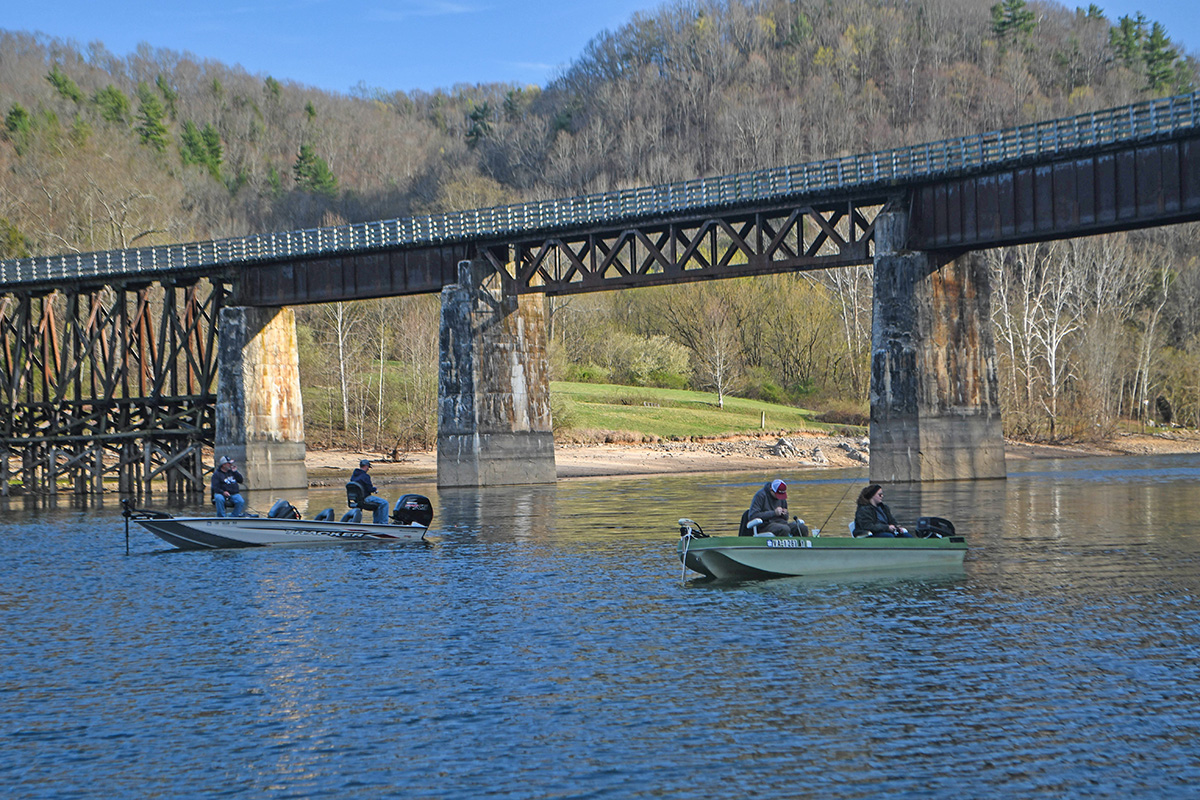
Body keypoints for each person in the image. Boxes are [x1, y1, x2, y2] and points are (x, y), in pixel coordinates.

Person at [350, 459, 390, 524]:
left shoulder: (353, 476)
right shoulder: (365, 476)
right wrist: (375, 489)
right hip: (365, 498)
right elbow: (369, 489)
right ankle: (384, 523)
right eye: (368, 467)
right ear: (366, 466)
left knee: (377, 505)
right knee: (385, 503)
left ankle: (376, 523)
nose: (368, 469)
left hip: (356, 499)